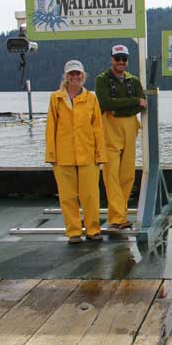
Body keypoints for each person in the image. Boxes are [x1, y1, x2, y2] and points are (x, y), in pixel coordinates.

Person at [45, 60, 107, 244]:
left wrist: (100, 154)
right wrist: (51, 154)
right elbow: (51, 127)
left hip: (87, 154)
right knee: (67, 196)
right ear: (66, 76)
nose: (75, 77)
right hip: (63, 156)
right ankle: (73, 232)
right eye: (71, 74)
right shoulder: (56, 98)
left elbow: (98, 127)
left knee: (90, 195)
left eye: (78, 74)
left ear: (83, 76)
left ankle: (93, 230)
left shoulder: (91, 98)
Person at [95, 45, 146, 230]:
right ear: (111, 59)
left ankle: (119, 214)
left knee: (128, 175)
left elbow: (143, 106)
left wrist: (119, 108)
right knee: (111, 174)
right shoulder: (102, 79)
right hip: (109, 128)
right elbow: (105, 102)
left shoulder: (134, 80)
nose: (121, 62)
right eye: (118, 58)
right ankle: (117, 218)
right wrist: (133, 102)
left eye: (124, 59)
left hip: (130, 127)